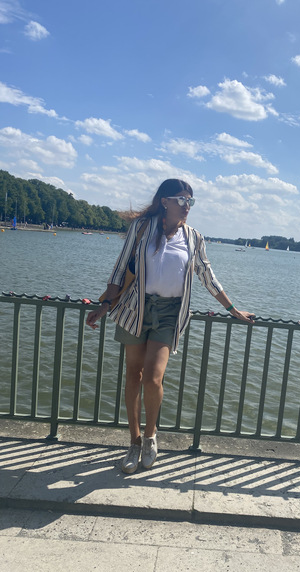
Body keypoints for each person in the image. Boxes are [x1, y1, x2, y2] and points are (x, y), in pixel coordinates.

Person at [86, 179, 254, 474]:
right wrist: (105, 304)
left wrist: (233, 309)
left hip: (169, 314)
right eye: (182, 200)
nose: (187, 206)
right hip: (136, 308)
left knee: (153, 378)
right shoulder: (141, 228)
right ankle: (134, 441)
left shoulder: (194, 238)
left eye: (191, 201)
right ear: (165, 202)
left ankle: (150, 436)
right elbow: (120, 267)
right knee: (133, 375)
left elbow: (207, 276)